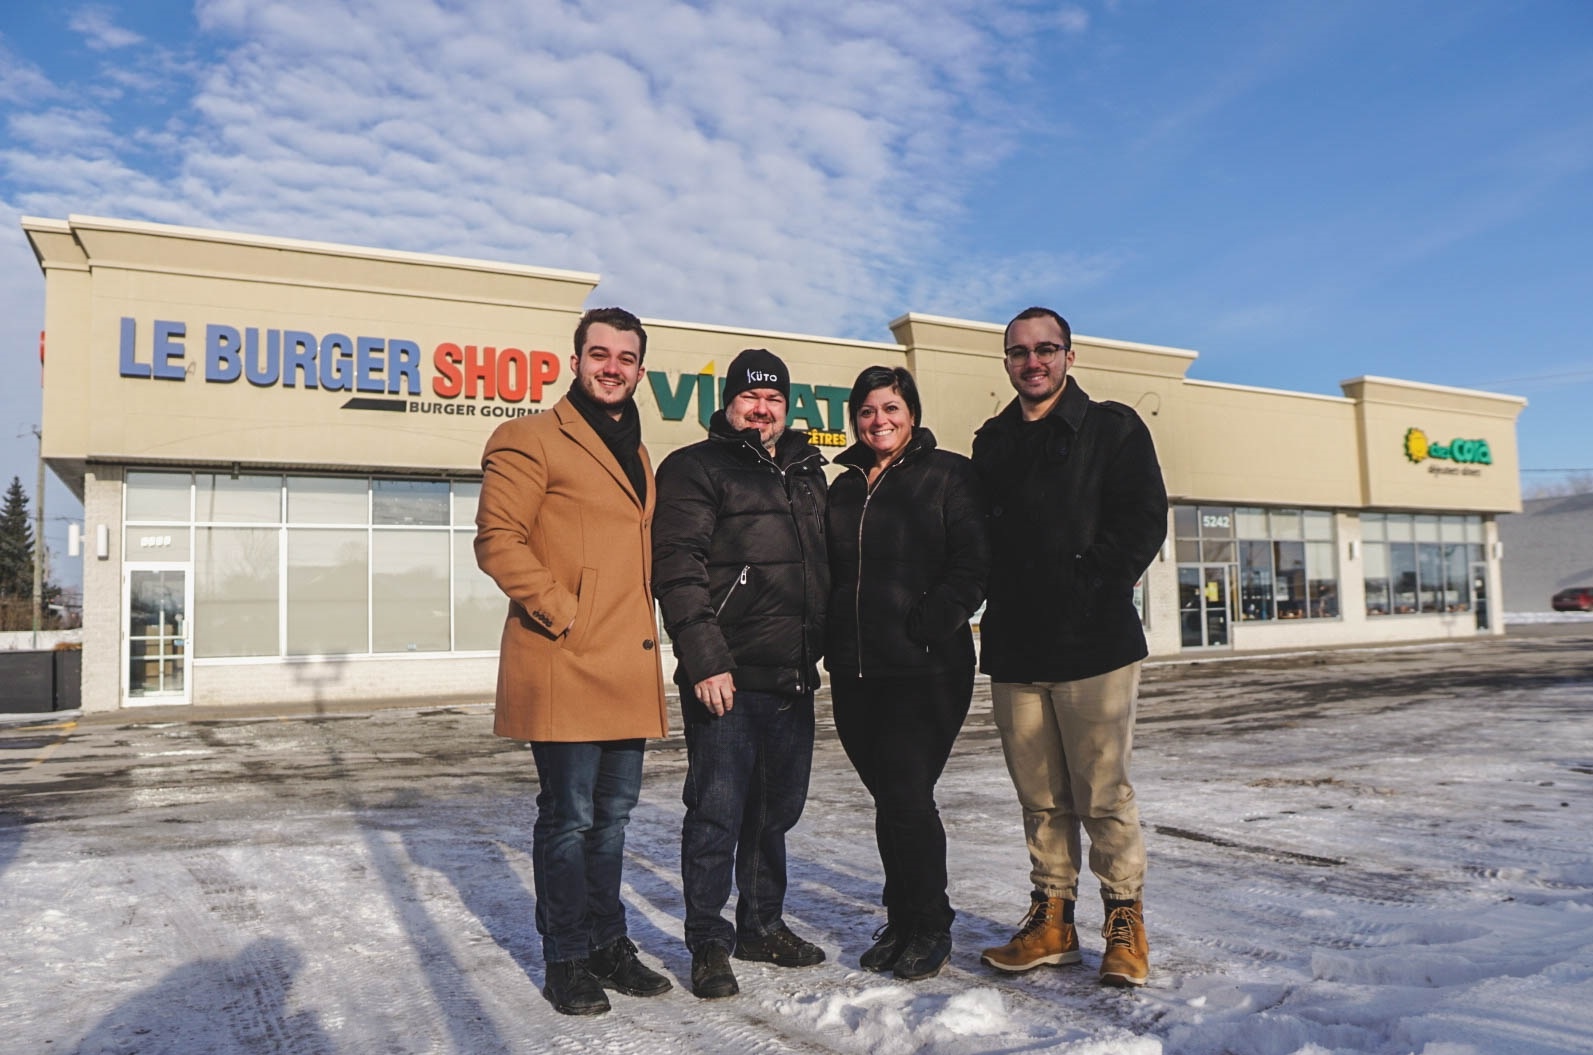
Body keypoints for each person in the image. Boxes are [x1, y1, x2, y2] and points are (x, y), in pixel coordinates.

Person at [475, 306, 672, 1016]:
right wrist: (565, 611)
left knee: (612, 819)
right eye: (600, 353)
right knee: (567, 817)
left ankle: (606, 942)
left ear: (639, 370)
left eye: (625, 357)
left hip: (624, 663)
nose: (612, 366)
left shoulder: (641, 453)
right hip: (563, 658)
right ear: (576, 359)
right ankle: (565, 957)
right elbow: (498, 540)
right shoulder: (529, 437)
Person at [972, 306, 1168, 988]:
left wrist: (1085, 586)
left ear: (1068, 356)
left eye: (1045, 349)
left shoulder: (1111, 428)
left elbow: (1143, 521)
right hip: (1015, 648)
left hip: (1093, 643)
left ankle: (1123, 921)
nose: (1033, 361)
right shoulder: (991, 441)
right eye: (1020, 351)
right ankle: (1051, 918)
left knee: (1101, 793)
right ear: (1006, 361)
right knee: (1040, 796)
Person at [652, 348, 830, 1000]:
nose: (762, 408)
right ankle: (707, 941)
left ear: (787, 406)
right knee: (716, 813)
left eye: (774, 399)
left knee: (774, 813)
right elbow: (677, 565)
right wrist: (704, 658)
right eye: (750, 398)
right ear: (729, 403)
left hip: (792, 675)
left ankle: (760, 925)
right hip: (725, 676)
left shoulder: (805, 472)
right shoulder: (696, 467)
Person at [824, 365, 988, 981]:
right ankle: (901, 918)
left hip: (926, 669)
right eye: (866, 411)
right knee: (889, 799)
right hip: (855, 670)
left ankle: (930, 925)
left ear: (911, 412)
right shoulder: (842, 486)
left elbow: (974, 563)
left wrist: (926, 623)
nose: (879, 420)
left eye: (890, 407)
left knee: (907, 796)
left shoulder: (947, 474)